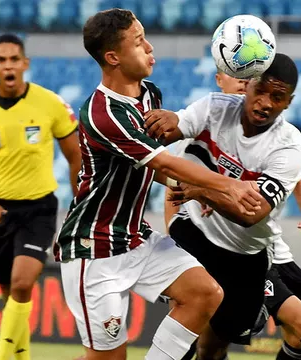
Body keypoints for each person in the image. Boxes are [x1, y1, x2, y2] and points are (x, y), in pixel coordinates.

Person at [53, 9, 264, 360]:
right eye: (139, 42)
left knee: (205, 293)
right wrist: (228, 186)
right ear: (113, 57)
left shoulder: (150, 95)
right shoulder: (102, 113)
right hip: (94, 249)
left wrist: (202, 189)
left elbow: (154, 166)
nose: (150, 47)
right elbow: (162, 161)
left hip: (135, 237)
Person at [145, 54, 301, 360]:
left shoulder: (288, 146)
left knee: (216, 344)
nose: (264, 103)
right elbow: (159, 149)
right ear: (246, 85)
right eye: (259, 91)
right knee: (188, 321)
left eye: (276, 97)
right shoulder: (213, 107)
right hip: (196, 235)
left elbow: (251, 214)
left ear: (288, 103)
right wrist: (165, 121)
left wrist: (202, 191)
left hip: (248, 255)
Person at [0, 34, 82, 360]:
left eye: (14, 59)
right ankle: (21, 356)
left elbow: (76, 157)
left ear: (25, 64)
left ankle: (1, 356)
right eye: (2, 60)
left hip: (39, 208)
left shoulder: (50, 103)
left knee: (23, 284)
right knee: (8, 291)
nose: (8, 65)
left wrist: (78, 203)